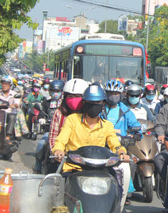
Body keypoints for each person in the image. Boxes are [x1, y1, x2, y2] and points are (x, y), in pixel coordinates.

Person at [52, 84, 131, 212]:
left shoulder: (107, 126)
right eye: (90, 102)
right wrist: (59, 150)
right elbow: (61, 139)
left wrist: (122, 152)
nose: (94, 105)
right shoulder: (73, 120)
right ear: (84, 103)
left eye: (98, 102)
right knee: (57, 193)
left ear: (103, 103)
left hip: (101, 170)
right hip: (74, 168)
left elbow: (115, 144)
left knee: (117, 188)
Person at [34, 78, 88, 174]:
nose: (74, 99)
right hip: (63, 158)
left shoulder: (90, 115)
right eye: (70, 96)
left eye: (77, 96)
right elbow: (54, 136)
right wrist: (57, 152)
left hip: (85, 159)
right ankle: (38, 166)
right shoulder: (59, 113)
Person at [104, 79, 141, 209]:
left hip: (121, 147)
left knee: (130, 163)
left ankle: (125, 193)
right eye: (110, 93)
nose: (113, 96)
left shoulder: (125, 111)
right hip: (102, 146)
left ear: (121, 95)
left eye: (116, 93)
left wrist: (137, 133)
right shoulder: (101, 109)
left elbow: (136, 125)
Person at [0, 76, 19, 146]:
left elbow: (17, 104)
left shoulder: (14, 94)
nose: (4, 86)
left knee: (12, 117)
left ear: (10, 85)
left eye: (6, 84)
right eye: (3, 84)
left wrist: (13, 105)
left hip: (8, 113)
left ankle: (8, 136)